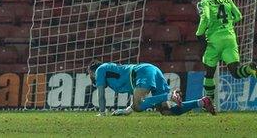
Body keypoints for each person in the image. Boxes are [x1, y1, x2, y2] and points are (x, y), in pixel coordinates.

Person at [196, 0, 257, 101]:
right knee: (235, 72)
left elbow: (206, 18)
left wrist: (199, 33)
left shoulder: (204, 2)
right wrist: (227, 24)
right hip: (230, 38)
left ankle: (209, 103)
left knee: (209, 74)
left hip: (214, 41)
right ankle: (250, 69)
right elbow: (239, 16)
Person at [88, 61, 216, 116]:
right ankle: (202, 102)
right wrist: (126, 110)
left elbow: (100, 95)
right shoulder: (110, 73)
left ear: (93, 71)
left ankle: (170, 95)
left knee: (138, 106)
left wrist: (103, 113)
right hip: (152, 70)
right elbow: (138, 98)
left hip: (141, 72)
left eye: (90, 74)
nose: (91, 78)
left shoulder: (100, 70)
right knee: (166, 111)